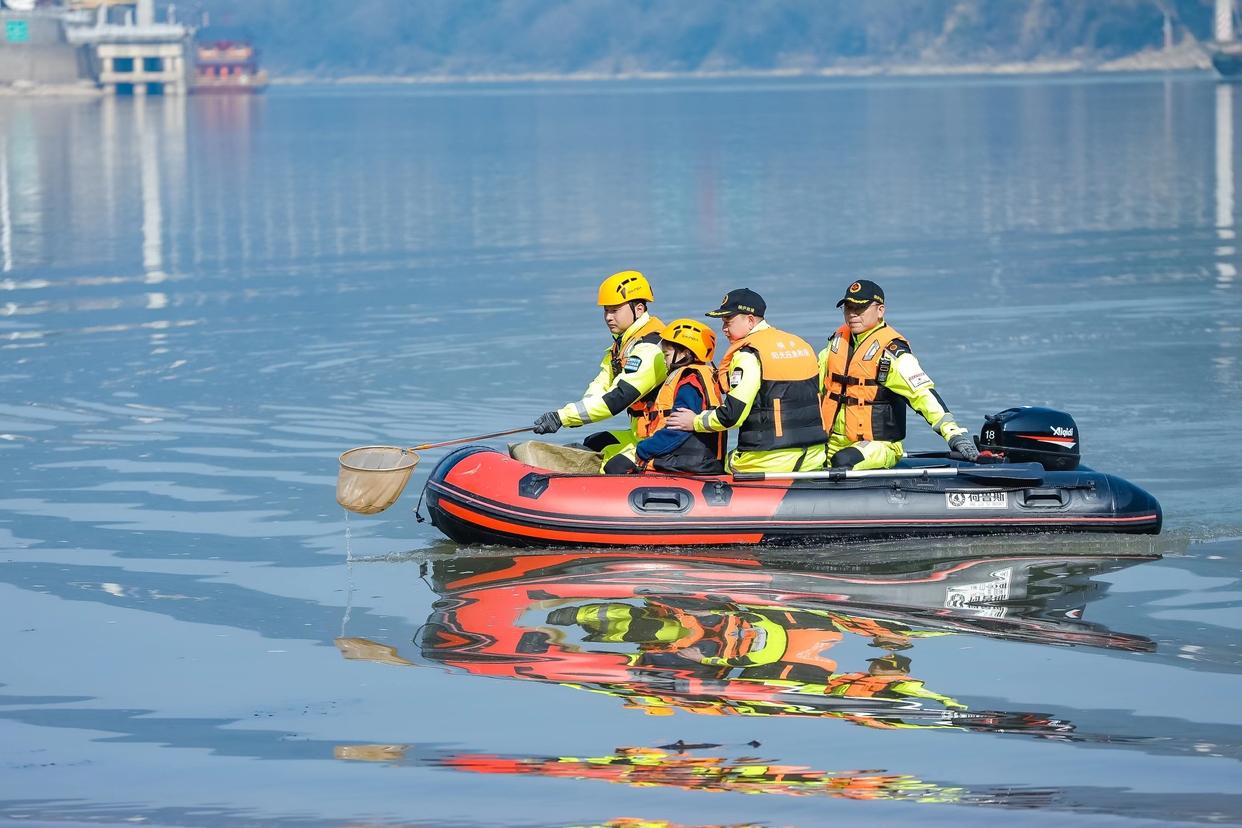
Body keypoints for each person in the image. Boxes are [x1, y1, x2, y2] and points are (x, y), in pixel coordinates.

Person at [818, 280, 978, 470]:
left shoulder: (892, 351)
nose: (852, 314)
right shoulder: (837, 342)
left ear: (880, 311)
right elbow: (812, 381)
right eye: (848, 307)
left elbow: (922, 395)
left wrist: (954, 435)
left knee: (843, 460)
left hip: (878, 445)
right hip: (831, 441)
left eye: (860, 308)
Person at [666, 289, 827, 474]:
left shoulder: (748, 355)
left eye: (728, 322)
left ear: (750, 320)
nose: (724, 329)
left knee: (717, 464)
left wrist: (694, 421)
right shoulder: (802, 346)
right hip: (814, 456)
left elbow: (732, 416)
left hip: (768, 460)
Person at [532, 271, 667, 455]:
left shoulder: (650, 347)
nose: (608, 317)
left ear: (639, 309)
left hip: (665, 438)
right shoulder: (623, 345)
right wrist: (571, 417)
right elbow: (600, 386)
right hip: (644, 434)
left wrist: (563, 417)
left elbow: (618, 398)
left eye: (615, 310)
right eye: (606, 310)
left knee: (611, 465)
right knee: (595, 442)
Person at [602, 319, 726, 475]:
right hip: (696, 460)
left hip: (686, 463)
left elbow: (677, 431)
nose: (664, 360)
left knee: (616, 466)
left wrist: (641, 452)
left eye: (666, 354)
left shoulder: (689, 383)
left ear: (685, 353)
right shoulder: (701, 375)